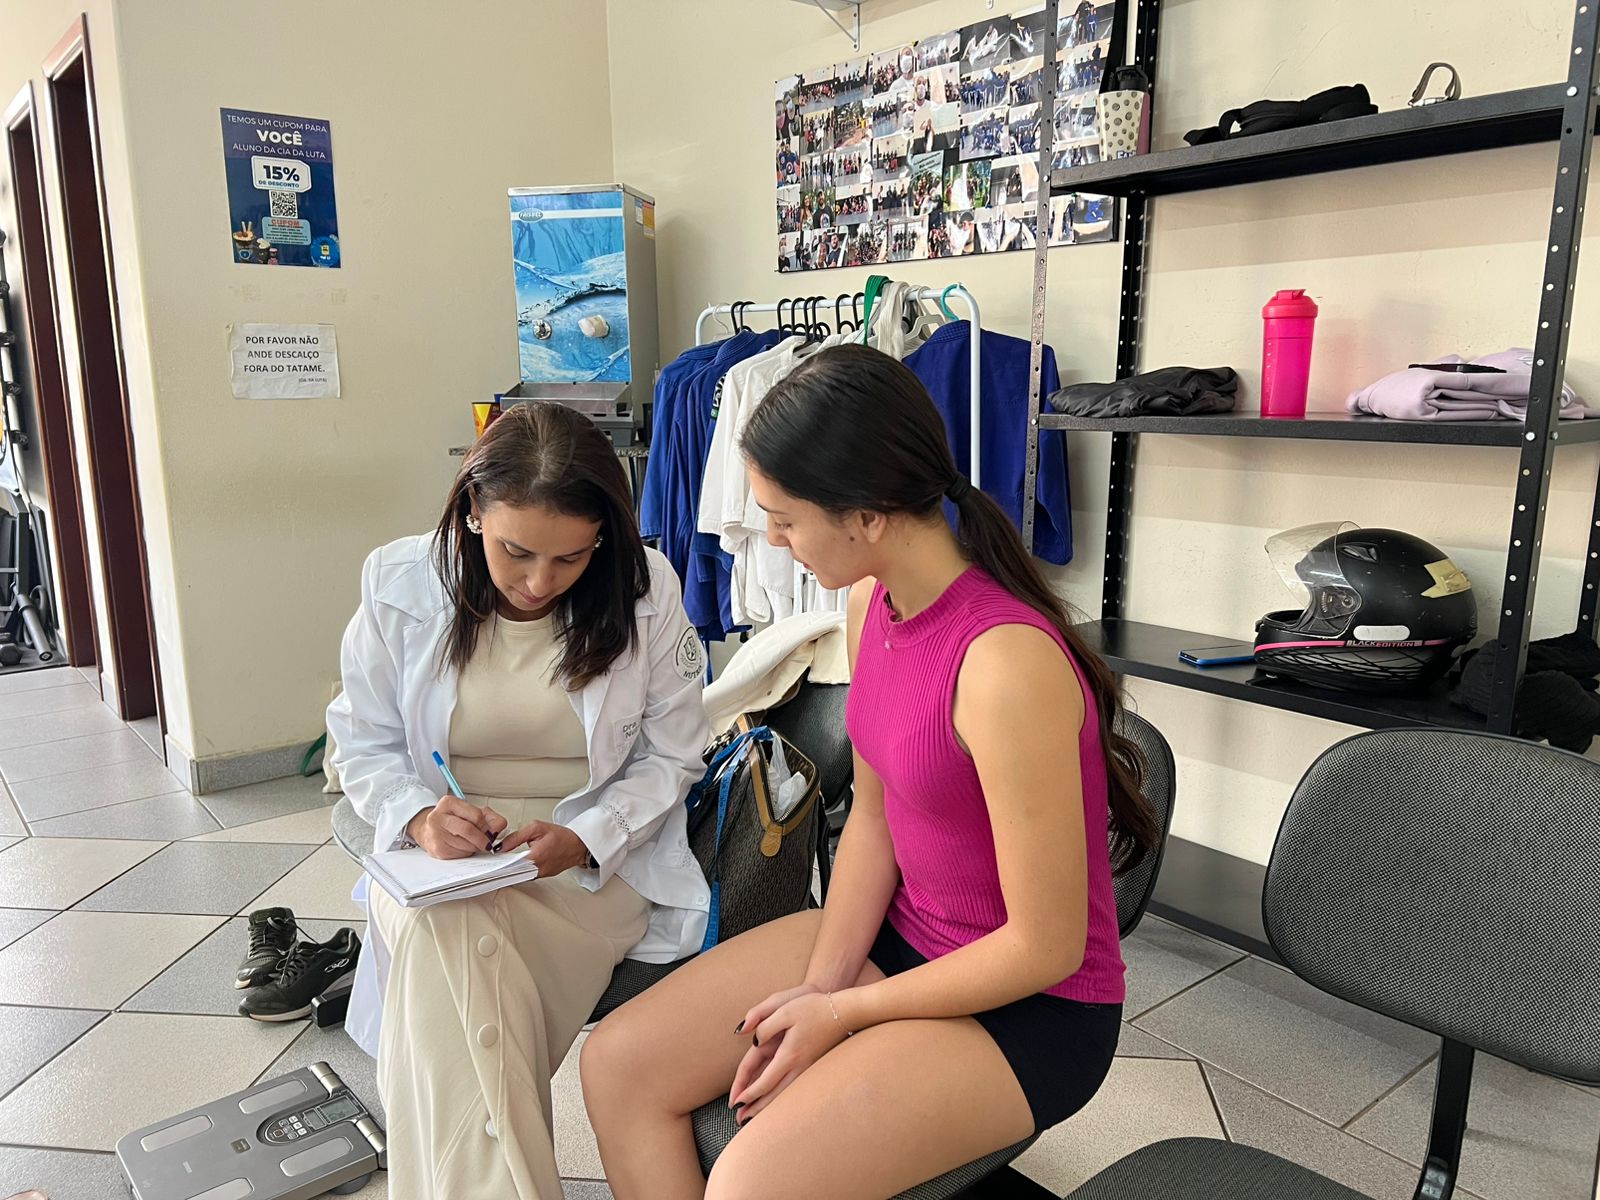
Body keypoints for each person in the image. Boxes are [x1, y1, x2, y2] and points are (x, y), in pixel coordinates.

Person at [582, 346, 1159, 1200]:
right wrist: (817, 991)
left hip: (1032, 1008)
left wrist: (841, 1012)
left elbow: (1045, 948)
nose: (772, 540)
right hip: (903, 937)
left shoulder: (1004, 666)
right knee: (616, 1065)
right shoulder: (869, 602)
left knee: (750, 1185)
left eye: (785, 519)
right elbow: (876, 821)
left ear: (867, 516)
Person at [328, 402, 711, 1200]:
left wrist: (588, 836)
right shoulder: (398, 584)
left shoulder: (645, 590)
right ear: (473, 508)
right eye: (516, 552)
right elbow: (360, 744)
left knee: (445, 973)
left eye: (570, 557)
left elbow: (674, 754)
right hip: (435, 866)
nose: (540, 583)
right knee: (447, 925)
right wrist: (417, 816)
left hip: (589, 870)